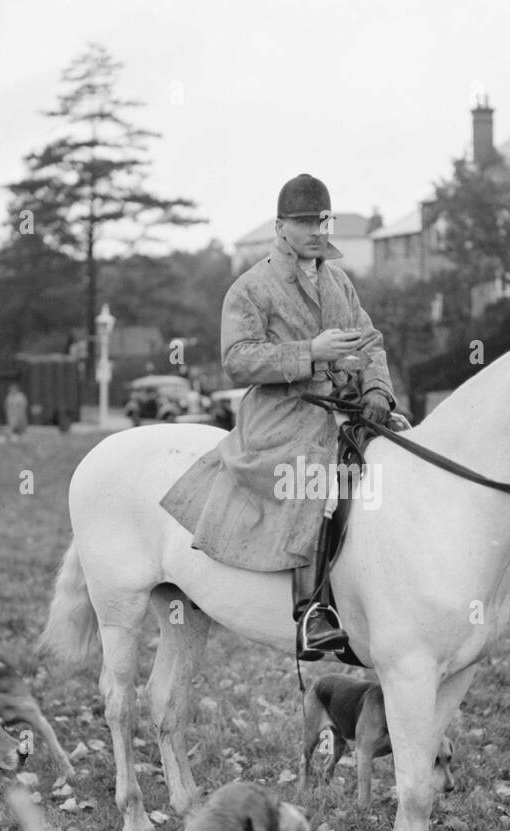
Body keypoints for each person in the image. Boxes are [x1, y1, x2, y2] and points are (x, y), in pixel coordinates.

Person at [160, 173, 396, 660]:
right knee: (312, 479)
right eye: (304, 221)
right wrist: (310, 352)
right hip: (282, 417)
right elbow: (237, 358)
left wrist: (376, 389)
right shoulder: (252, 287)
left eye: (322, 220)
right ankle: (313, 611)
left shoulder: (339, 281)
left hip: (344, 406)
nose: (316, 230)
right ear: (280, 226)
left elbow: (370, 342)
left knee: (406, 457)